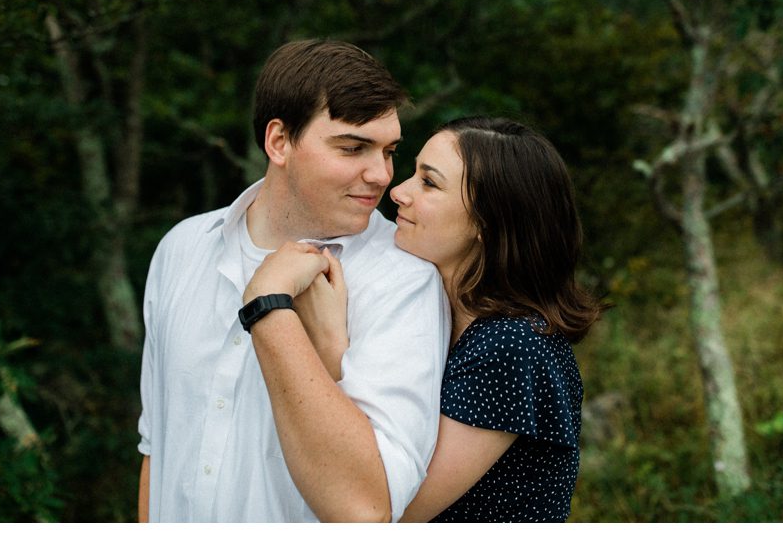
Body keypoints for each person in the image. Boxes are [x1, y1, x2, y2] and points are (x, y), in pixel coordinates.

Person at [136, 39, 450, 522]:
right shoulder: (182, 248)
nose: (382, 175)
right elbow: (157, 449)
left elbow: (366, 509)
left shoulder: (404, 282)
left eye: (389, 151)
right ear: (279, 142)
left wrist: (270, 306)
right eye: (353, 148)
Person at [256, 116, 603, 521]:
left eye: (429, 183)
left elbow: (385, 509)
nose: (398, 191)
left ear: (487, 221)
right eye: (414, 173)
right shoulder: (452, 321)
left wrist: (331, 346)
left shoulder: (511, 348)